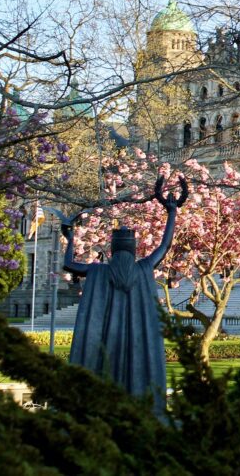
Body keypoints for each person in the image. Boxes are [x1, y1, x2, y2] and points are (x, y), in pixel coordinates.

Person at [62, 176, 187, 413]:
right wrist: (172, 212)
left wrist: (70, 239)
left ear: (113, 249)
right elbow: (165, 244)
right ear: (133, 249)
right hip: (136, 339)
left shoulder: (98, 271)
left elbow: (69, 264)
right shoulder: (143, 268)